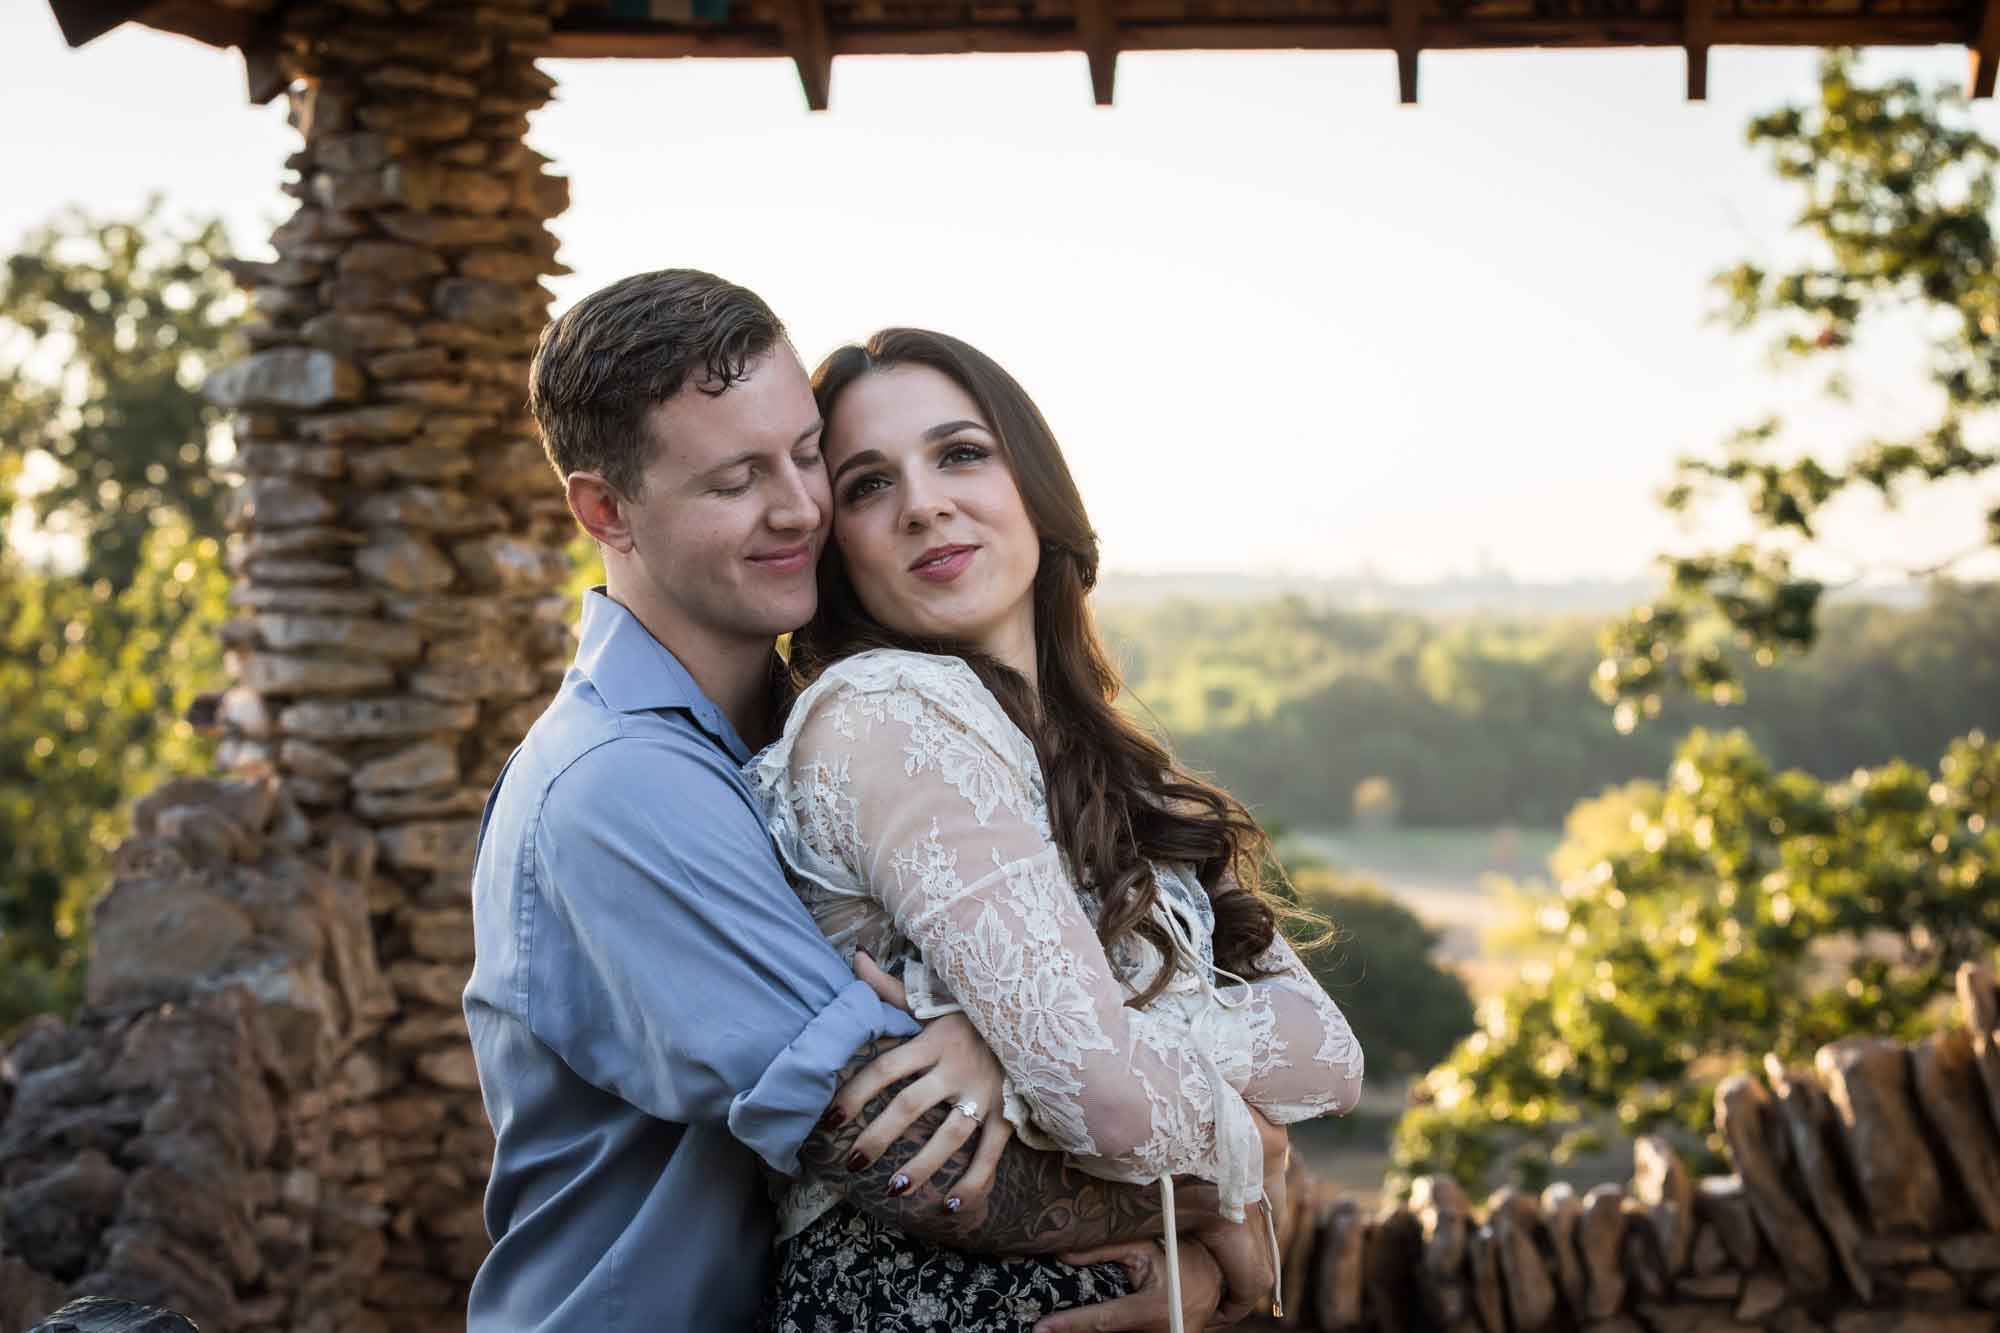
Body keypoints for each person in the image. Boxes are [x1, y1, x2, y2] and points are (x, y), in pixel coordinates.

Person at [463, 271, 1279, 1333]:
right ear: (605, 511)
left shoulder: (822, 736)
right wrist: (1224, 1196)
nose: (798, 506)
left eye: (805, 454)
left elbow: (1042, 1011)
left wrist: (1000, 1032)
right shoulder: (621, 789)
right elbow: (906, 1153)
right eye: (734, 480)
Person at [752, 327, 1367, 1331]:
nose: (922, 503)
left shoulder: (1102, 758)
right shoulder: (889, 714)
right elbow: (1106, 1105)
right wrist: (1225, 1150)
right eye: (867, 484)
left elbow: (1325, 1054)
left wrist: (1038, 1037)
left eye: (959, 453)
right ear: (836, 545)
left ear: (1033, 481)